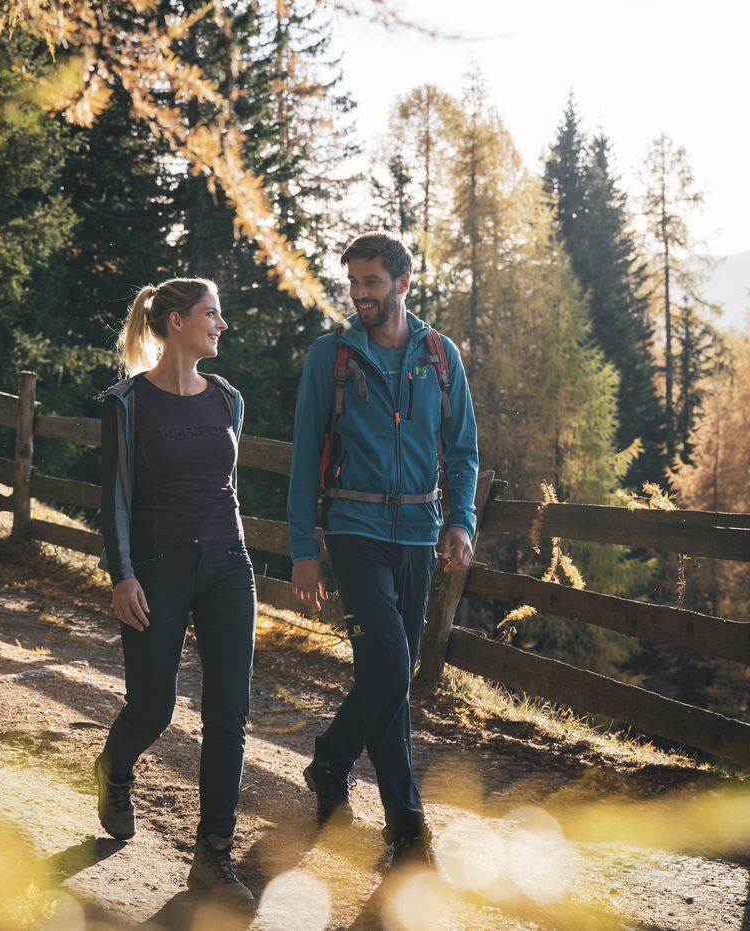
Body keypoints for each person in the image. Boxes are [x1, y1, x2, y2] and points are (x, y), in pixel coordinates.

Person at [287, 231, 479, 872]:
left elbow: (462, 452)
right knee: (393, 669)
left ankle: (331, 760)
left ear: (401, 282)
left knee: (386, 672)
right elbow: (303, 457)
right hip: (353, 533)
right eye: (353, 283)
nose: (359, 294)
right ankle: (407, 829)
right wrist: (302, 550)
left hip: (420, 537)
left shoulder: (440, 356)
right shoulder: (330, 357)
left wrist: (460, 520)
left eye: (371, 282)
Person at [93, 278, 257, 903]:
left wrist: (234, 556)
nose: (222, 324)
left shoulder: (229, 399)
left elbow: (228, 487)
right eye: (213, 314)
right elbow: (113, 499)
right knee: (154, 707)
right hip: (155, 569)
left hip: (227, 565)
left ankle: (213, 855)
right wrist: (122, 573)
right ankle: (113, 768)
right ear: (178, 321)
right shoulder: (126, 402)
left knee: (228, 713)